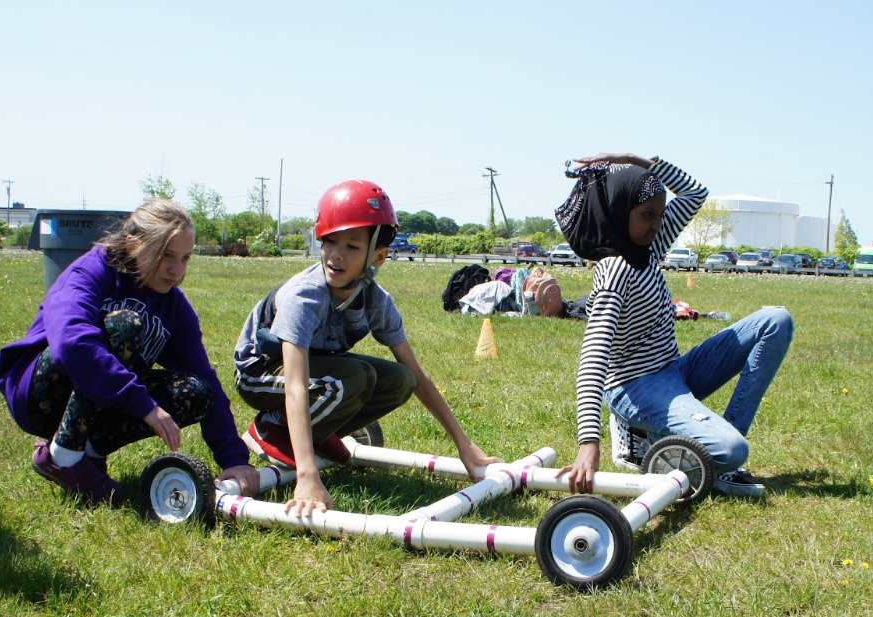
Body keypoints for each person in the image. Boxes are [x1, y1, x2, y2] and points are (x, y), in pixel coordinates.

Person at [234, 179, 500, 517]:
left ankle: (314, 434)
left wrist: (465, 446)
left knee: (398, 379)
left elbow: (417, 376)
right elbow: (297, 386)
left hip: (312, 371)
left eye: (351, 245)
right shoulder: (305, 296)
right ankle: (271, 428)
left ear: (378, 256)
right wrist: (307, 475)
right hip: (260, 372)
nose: (336, 254)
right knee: (354, 377)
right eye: (329, 241)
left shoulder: (375, 300)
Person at [554, 153, 794, 497]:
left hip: (674, 371)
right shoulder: (613, 273)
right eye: (646, 214)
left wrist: (634, 161)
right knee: (732, 448)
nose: (656, 224)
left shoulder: (647, 249)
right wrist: (588, 442)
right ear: (621, 214)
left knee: (776, 320)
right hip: (635, 386)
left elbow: (695, 194)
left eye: (660, 214)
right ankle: (644, 434)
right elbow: (593, 359)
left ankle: (723, 465)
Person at [0, 199, 259, 504]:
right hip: (38, 396)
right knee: (123, 325)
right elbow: (72, 342)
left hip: (101, 402)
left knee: (195, 391)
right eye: (165, 256)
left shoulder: (174, 307)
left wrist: (234, 458)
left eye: (185, 258)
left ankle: (88, 454)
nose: (176, 270)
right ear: (133, 244)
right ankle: (63, 456)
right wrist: (141, 403)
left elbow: (204, 378)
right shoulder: (91, 271)